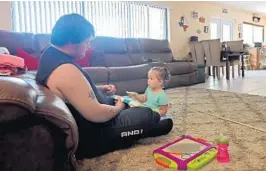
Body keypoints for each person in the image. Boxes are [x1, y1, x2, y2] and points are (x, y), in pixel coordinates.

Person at [35, 13, 173, 159]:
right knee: (147, 114)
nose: (88, 47)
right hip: (94, 134)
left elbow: (72, 90)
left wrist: (99, 88)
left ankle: (144, 126)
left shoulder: (50, 55)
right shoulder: (65, 70)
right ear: (71, 41)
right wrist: (118, 107)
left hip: (89, 118)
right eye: (87, 42)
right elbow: (97, 114)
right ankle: (147, 126)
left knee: (124, 100)